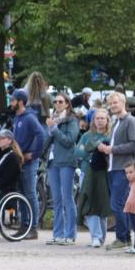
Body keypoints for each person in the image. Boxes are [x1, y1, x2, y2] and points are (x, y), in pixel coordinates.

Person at [98, 92, 135, 250]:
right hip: (114, 167)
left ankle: (123, 237)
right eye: (110, 104)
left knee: (117, 203)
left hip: (124, 169)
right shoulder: (117, 123)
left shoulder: (130, 121)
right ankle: (125, 237)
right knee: (119, 204)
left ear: (123, 102)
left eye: (115, 102)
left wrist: (112, 149)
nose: (112, 106)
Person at [44, 92, 80, 245]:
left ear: (67, 104)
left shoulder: (72, 120)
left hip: (66, 161)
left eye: (60, 101)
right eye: (55, 102)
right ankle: (58, 234)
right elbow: (48, 141)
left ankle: (70, 234)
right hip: (52, 162)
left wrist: (54, 129)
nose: (57, 104)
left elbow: (69, 140)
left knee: (67, 198)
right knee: (57, 200)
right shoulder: (53, 119)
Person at [11, 88, 45, 239]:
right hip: (19, 161)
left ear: (20, 102)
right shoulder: (16, 118)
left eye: (13, 100)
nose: (11, 103)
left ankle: (33, 228)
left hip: (29, 162)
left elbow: (42, 135)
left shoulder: (29, 118)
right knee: (21, 194)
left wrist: (35, 154)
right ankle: (23, 225)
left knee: (30, 194)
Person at [76, 108, 112, 247]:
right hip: (86, 173)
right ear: (93, 121)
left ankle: (101, 238)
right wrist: (91, 154)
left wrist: (93, 150)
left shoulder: (110, 136)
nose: (100, 121)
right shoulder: (87, 135)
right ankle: (95, 237)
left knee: (101, 205)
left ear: (107, 120)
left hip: (103, 174)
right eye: (97, 118)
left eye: (102, 118)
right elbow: (78, 151)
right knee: (88, 204)